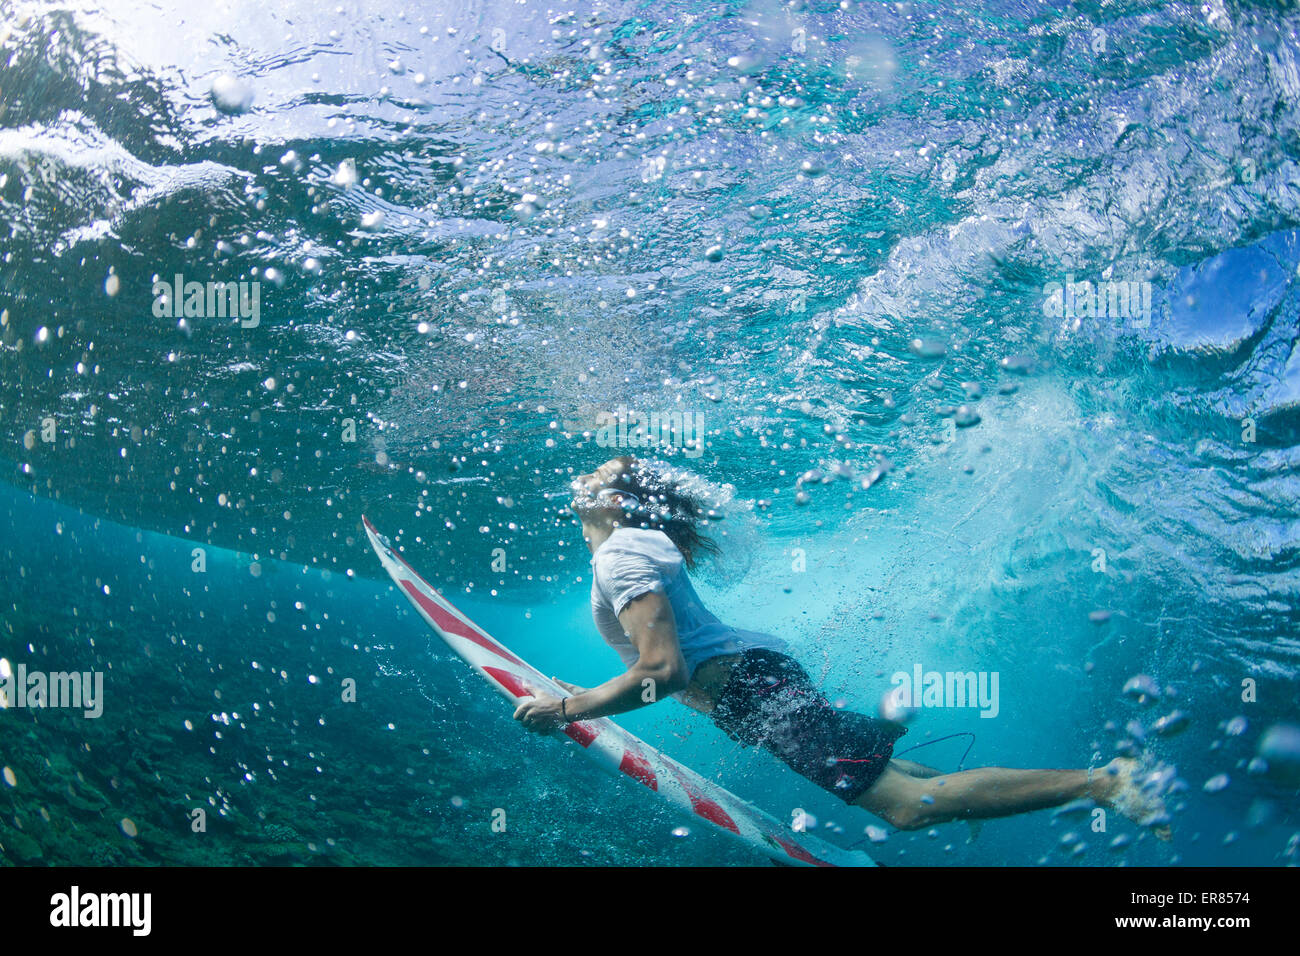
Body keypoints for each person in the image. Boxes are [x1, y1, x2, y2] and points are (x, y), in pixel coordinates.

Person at [513, 455, 1171, 838]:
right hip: (754, 686)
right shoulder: (627, 552)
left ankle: (1105, 782)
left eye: (598, 473)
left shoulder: (622, 554)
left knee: (907, 808)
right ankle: (900, 740)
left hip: (751, 686)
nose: (582, 479)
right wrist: (589, 695)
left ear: (619, 501)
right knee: (896, 779)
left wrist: (572, 711)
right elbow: (660, 667)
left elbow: (663, 667)